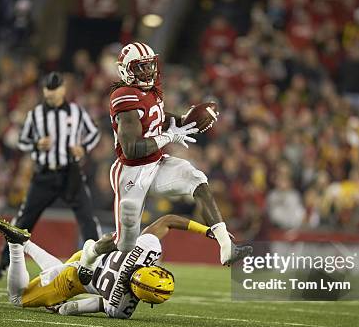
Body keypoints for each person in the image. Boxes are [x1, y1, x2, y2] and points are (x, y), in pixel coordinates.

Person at [108, 42, 251, 265]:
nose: (147, 72)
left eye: (149, 66)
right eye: (140, 67)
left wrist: (183, 121)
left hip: (156, 164)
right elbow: (132, 149)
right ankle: (90, 253)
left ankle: (226, 246)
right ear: (125, 70)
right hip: (130, 171)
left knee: (197, 180)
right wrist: (169, 136)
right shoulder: (124, 95)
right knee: (124, 243)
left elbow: (156, 116)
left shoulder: (152, 90)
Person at [0, 214, 224, 319]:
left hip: (85, 258)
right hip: (75, 280)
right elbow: (84, 306)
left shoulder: (148, 249)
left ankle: (27, 243)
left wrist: (208, 231)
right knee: (17, 299)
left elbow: (169, 220)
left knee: (63, 267)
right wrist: (63, 308)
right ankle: (16, 246)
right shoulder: (121, 307)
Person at [0, 72, 102, 279]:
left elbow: (94, 133)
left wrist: (83, 148)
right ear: (44, 90)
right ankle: (3, 263)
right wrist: (36, 144)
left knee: (87, 218)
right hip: (44, 174)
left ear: (63, 89)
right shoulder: (36, 115)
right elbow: (22, 140)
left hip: (70, 173)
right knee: (24, 219)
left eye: (54, 88)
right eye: (47, 89)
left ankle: (98, 264)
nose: (50, 93)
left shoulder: (76, 112)